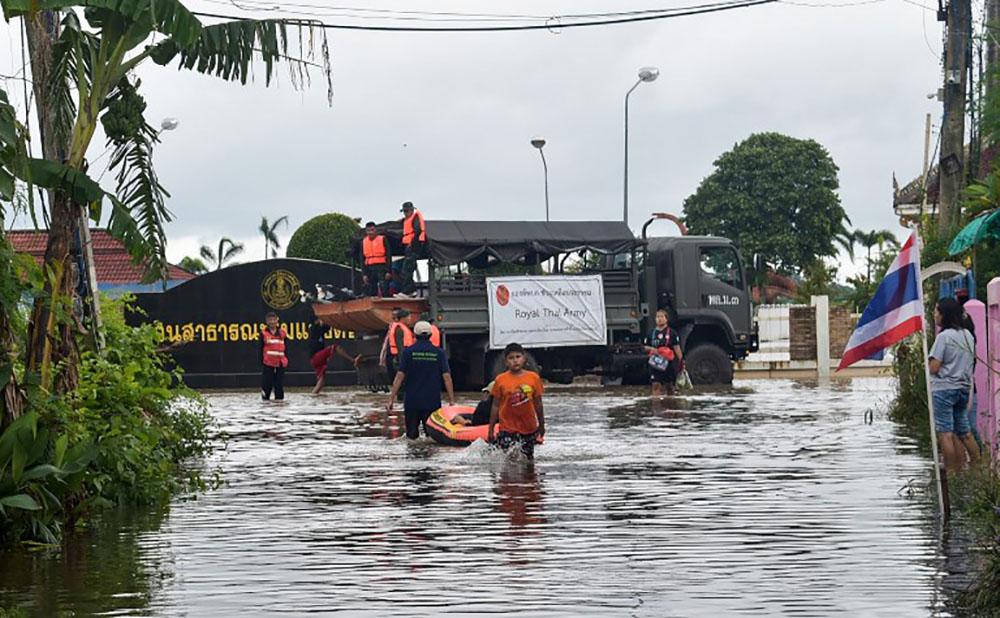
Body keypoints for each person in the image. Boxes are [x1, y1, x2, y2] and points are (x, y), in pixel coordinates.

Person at [929, 297, 980, 471]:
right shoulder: (967, 335)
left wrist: (928, 363)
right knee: (964, 432)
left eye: (936, 311)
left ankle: (951, 473)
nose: (935, 315)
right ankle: (978, 466)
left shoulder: (943, 337)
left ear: (945, 314)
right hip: (963, 389)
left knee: (946, 434)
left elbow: (934, 367)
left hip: (944, 389)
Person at [386, 320, 456, 439]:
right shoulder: (439, 353)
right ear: (430, 335)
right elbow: (447, 377)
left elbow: (399, 376)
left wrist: (391, 399)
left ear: (415, 335)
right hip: (432, 402)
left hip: (412, 402)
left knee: (411, 437)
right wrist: (452, 401)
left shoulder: (408, 352)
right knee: (432, 437)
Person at [488, 343, 545, 459]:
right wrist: (491, 429)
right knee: (509, 459)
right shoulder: (500, 380)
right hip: (507, 428)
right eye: (511, 358)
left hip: (528, 427)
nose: (515, 361)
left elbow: (538, 404)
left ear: (524, 358)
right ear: (506, 362)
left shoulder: (533, 378)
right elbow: (495, 406)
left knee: (528, 460)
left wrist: (542, 425)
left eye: (518, 357)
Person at [308, 318, 361, 394]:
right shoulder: (313, 328)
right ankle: (353, 360)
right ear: (316, 321)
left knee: (321, 382)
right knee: (335, 347)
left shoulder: (320, 330)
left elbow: (327, 328)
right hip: (316, 357)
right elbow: (319, 328)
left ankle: (313, 395)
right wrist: (322, 322)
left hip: (316, 359)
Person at [644, 309, 683, 396]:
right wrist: (653, 349)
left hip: (668, 363)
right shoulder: (651, 333)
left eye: (662, 317)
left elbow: (677, 348)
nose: (660, 319)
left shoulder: (672, 333)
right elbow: (645, 347)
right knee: (655, 385)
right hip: (655, 363)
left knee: (669, 386)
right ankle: (656, 403)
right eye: (658, 317)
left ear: (666, 319)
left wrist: (681, 361)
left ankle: (671, 401)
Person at [380, 307, 415, 389]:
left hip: (401, 358)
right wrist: (403, 362)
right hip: (398, 359)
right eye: (408, 317)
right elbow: (400, 347)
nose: (410, 319)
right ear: (402, 318)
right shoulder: (399, 329)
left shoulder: (402, 328)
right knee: (402, 383)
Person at [397, 201, 426, 298]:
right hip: (410, 245)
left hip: (414, 245)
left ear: (412, 210)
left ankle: (408, 291)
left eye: (407, 211)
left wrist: (412, 243)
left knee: (406, 269)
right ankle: (411, 291)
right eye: (404, 211)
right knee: (408, 268)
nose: (405, 213)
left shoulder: (415, 217)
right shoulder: (408, 219)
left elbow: (418, 230)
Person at [260, 312, 288, 400]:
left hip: (280, 363)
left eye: (274, 320)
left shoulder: (282, 333)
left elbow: (286, 347)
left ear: (277, 320)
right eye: (270, 320)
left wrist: (286, 360)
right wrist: (261, 363)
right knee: (266, 386)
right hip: (268, 363)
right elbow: (260, 349)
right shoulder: (263, 334)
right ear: (267, 322)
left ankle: (279, 405)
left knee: (279, 386)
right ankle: (265, 404)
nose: (272, 322)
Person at [361, 221, 392, 297]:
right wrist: (364, 274)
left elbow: (388, 255)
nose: (370, 232)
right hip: (369, 267)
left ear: (376, 230)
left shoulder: (382, 239)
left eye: (372, 230)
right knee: (371, 288)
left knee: (384, 287)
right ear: (366, 231)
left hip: (381, 266)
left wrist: (388, 271)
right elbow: (361, 258)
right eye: (368, 230)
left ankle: (386, 302)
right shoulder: (363, 241)